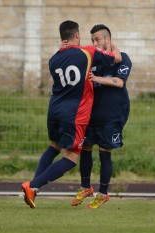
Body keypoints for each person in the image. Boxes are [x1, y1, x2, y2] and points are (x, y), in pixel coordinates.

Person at [21, 20, 122, 209]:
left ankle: (33, 190)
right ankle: (32, 185)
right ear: (77, 35)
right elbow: (115, 58)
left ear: (62, 38)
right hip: (75, 114)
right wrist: (111, 44)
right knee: (71, 158)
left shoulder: (53, 59)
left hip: (54, 109)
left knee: (53, 147)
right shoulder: (87, 52)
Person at [70, 24, 132, 209]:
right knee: (85, 150)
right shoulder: (94, 58)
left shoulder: (123, 58)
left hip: (111, 115)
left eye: (97, 39)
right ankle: (85, 187)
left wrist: (96, 79)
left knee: (105, 153)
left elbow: (119, 82)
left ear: (108, 39)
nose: (95, 43)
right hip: (90, 113)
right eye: (92, 40)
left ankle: (103, 193)